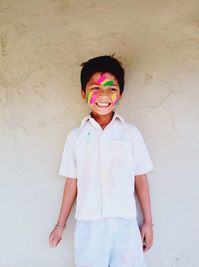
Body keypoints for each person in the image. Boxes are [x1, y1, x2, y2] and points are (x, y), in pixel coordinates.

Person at [49, 55, 154, 267]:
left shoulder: (130, 134)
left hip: (124, 224)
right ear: (83, 93)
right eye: (95, 88)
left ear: (120, 94)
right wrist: (60, 225)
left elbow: (140, 178)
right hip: (89, 225)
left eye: (111, 88)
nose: (104, 95)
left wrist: (148, 223)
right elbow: (72, 182)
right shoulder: (76, 137)